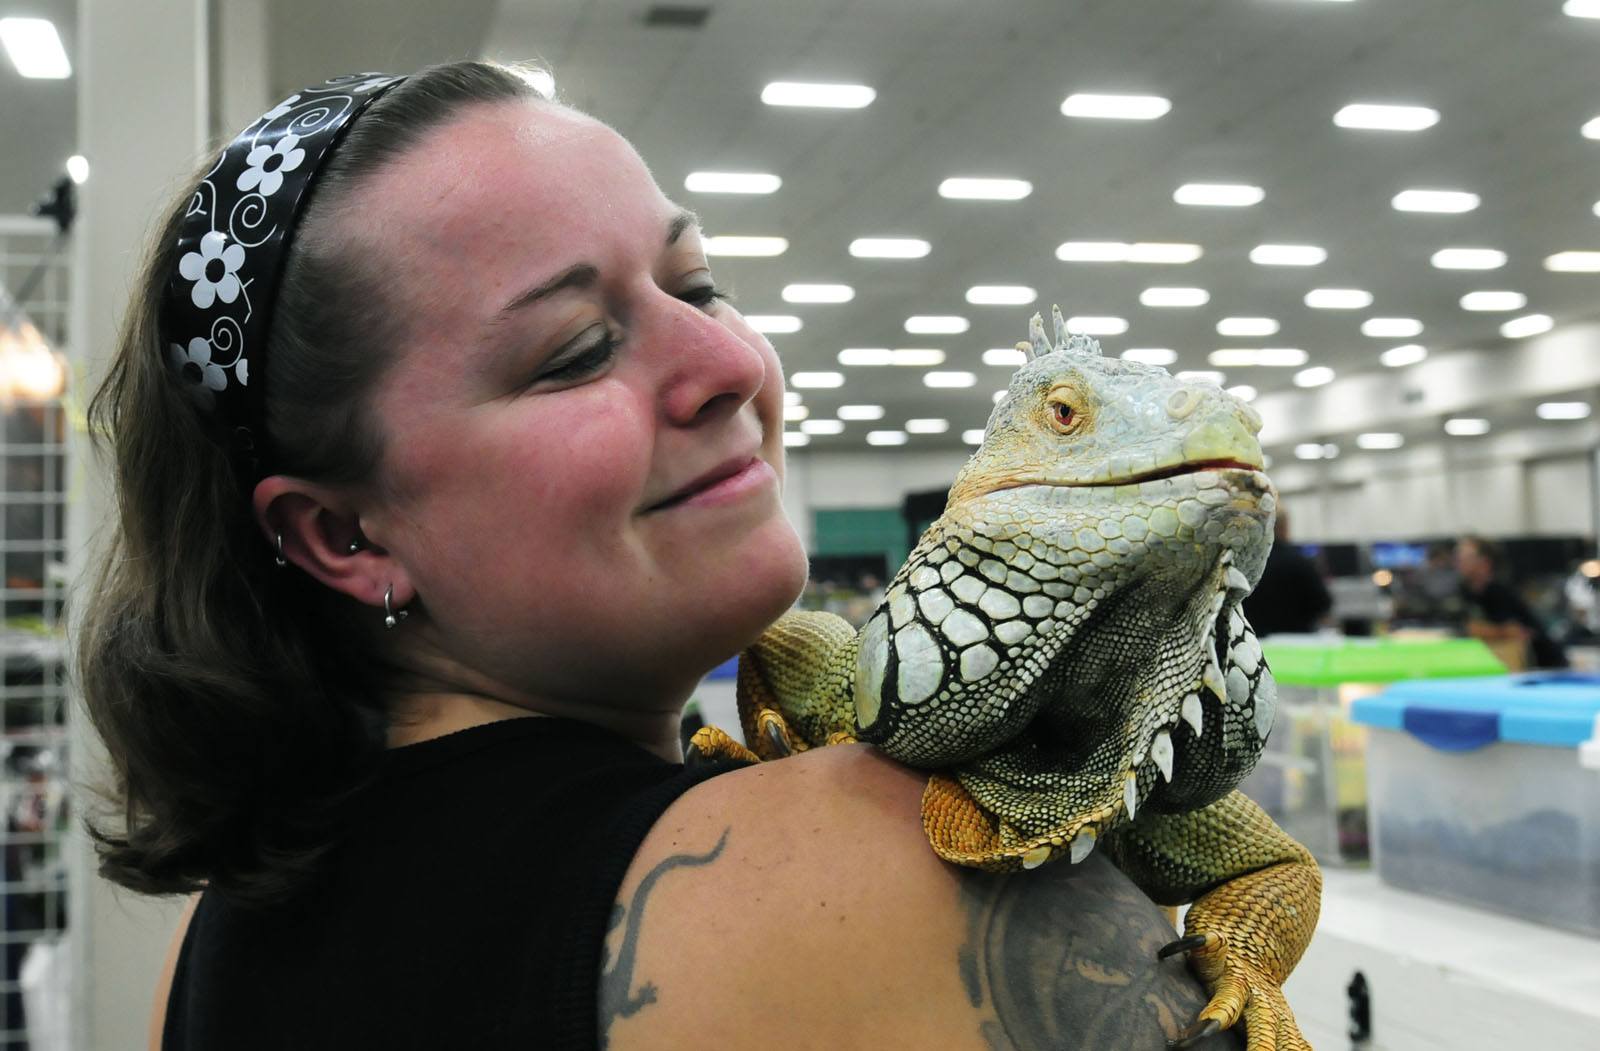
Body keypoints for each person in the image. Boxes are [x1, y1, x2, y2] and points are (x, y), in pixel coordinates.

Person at [76, 62, 1242, 1050]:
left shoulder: (217, 934)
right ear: (344, 534)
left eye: (698, 285)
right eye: (575, 351)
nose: (728, 362)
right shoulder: (865, 867)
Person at [1455, 535, 1568, 669]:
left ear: (1485, 563)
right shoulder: (1467, 592)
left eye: (1466, 557)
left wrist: (1481, 630)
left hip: (1543, 664)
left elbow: (1516, 632)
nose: (1459, 562)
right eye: (1458, 557)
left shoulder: (1498, 593)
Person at [1241, 505, 1332, 637]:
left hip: (1254, 645)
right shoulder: (1301, 563)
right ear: (1284, 527)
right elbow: (1323, 604)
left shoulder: (1244, 566)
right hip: (1295, 645)